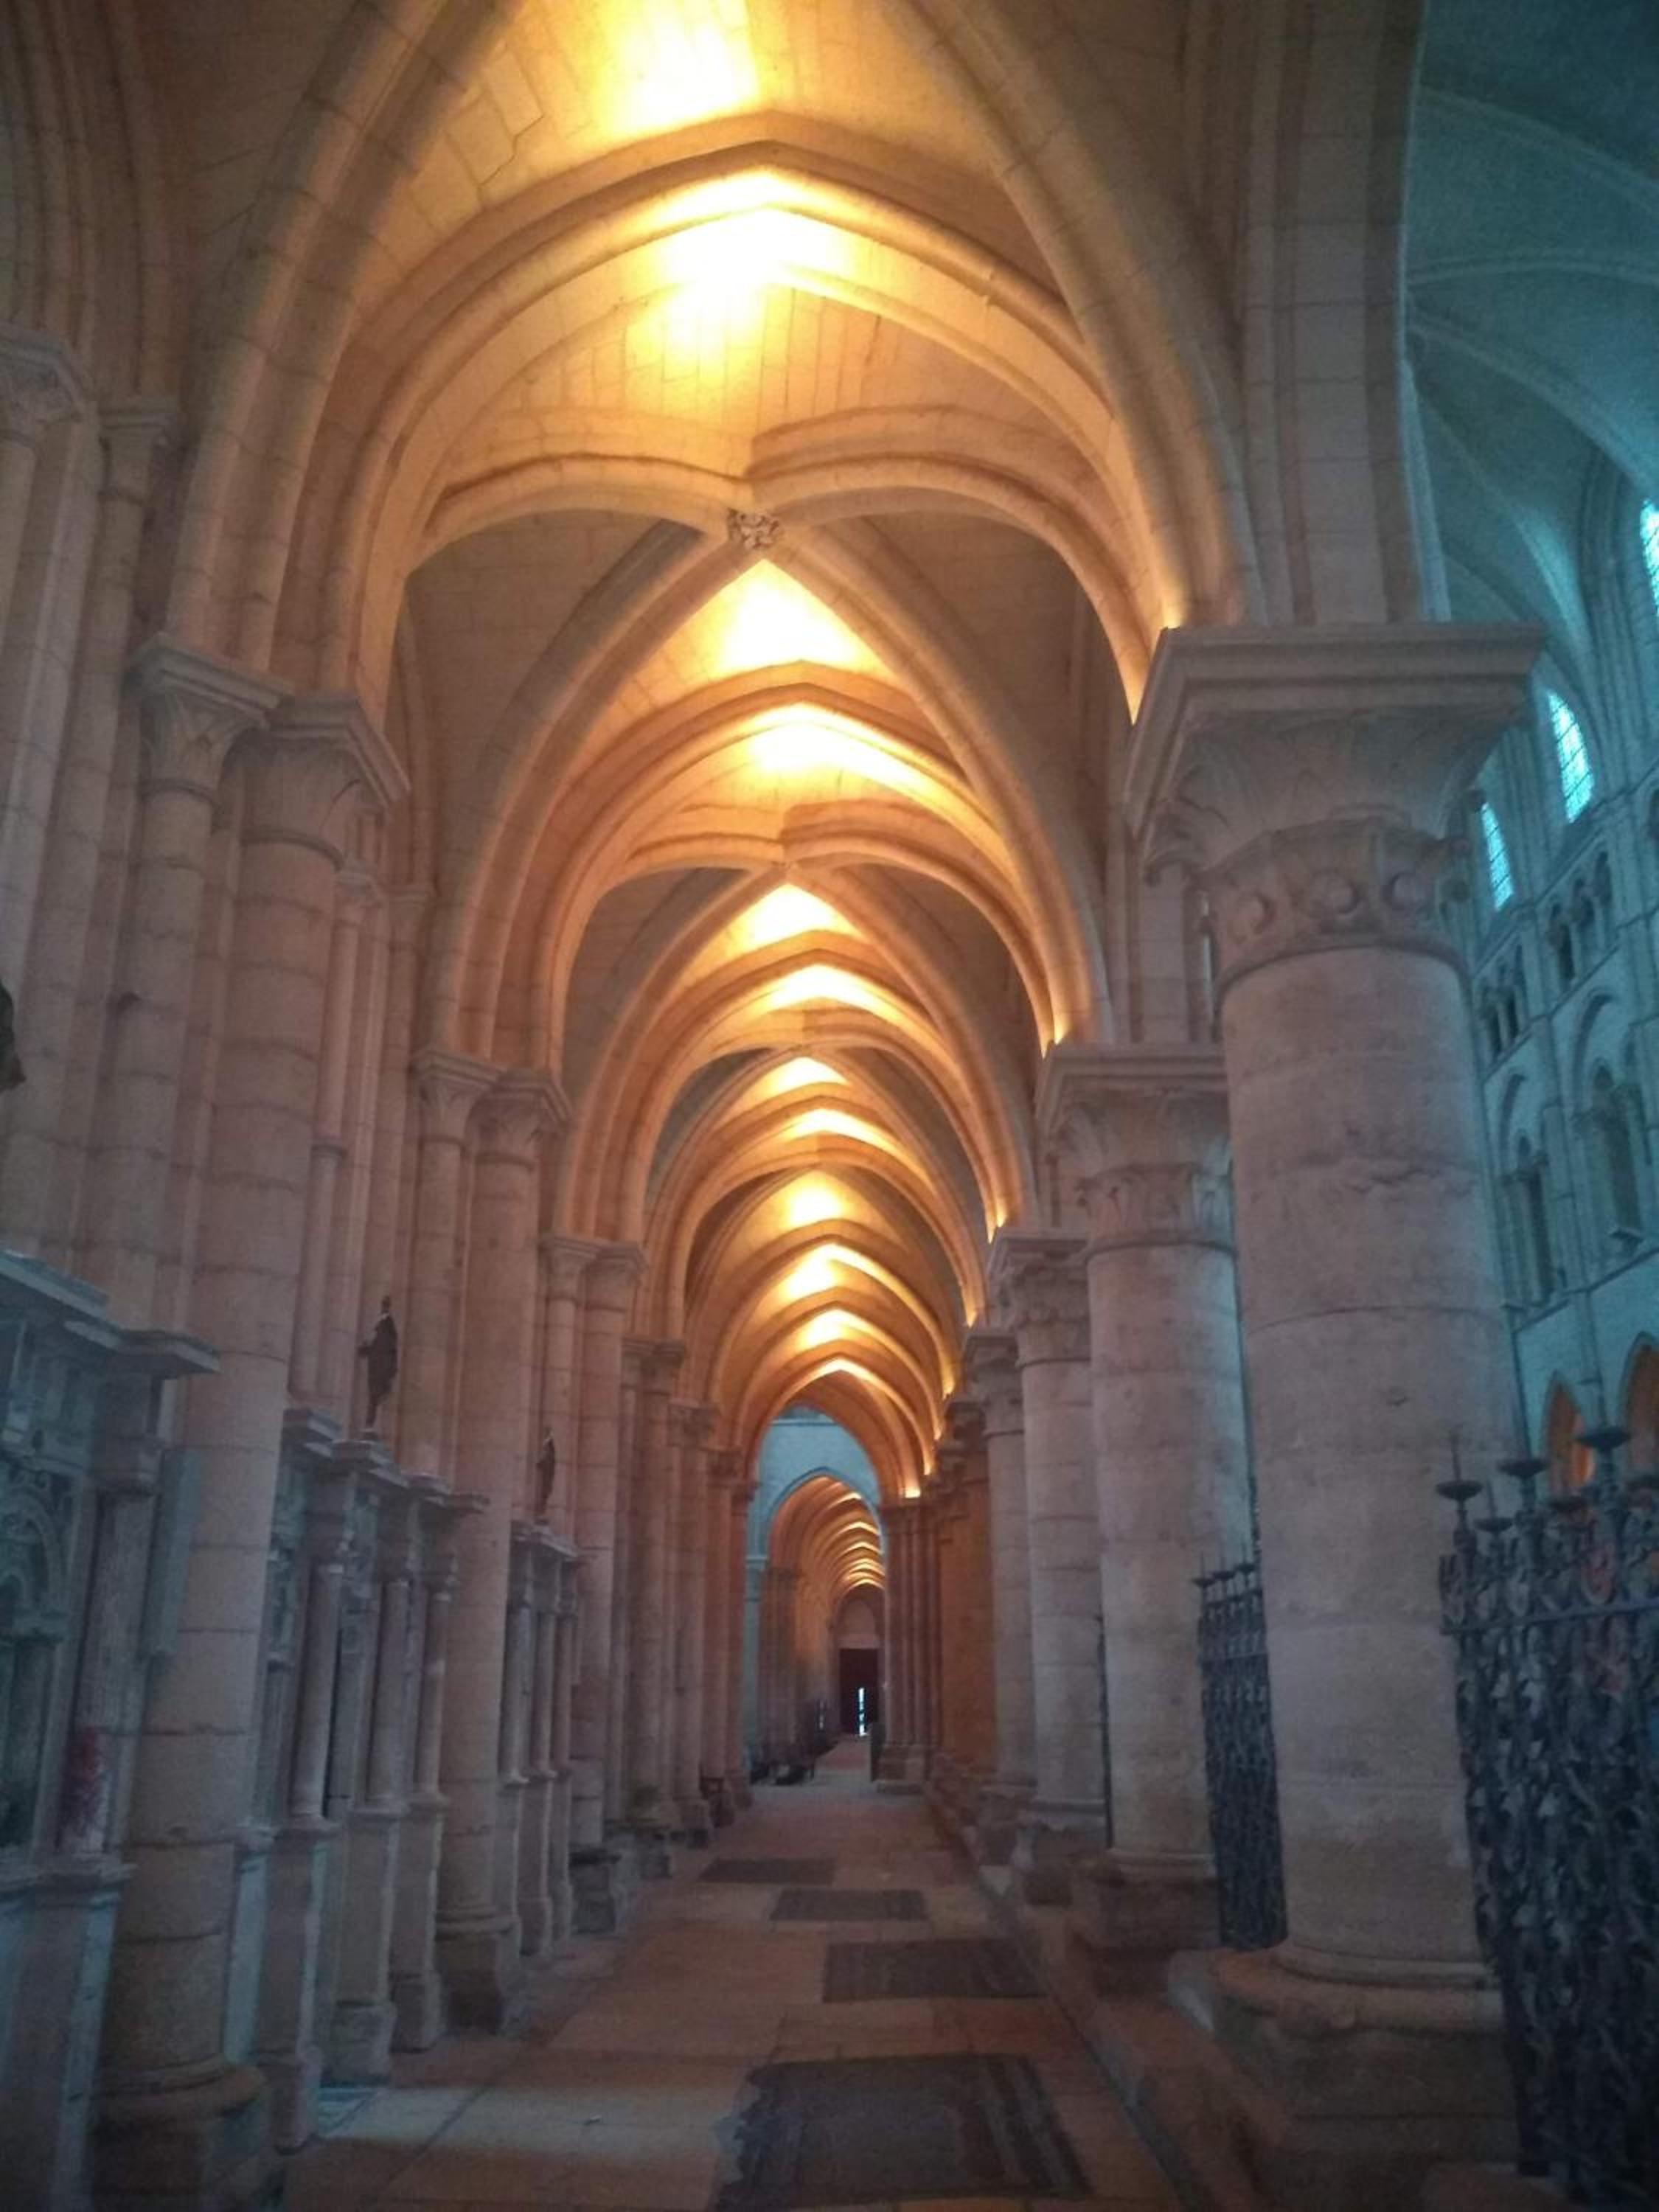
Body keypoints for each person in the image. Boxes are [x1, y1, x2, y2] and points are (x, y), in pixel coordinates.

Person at [358, 1295, 398, 1430]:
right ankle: (369, 1423)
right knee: (373, 1396)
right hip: (376, 1367)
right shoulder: (382, 1326)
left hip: (380, 1368)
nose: (383, 1308)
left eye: (385, 1305)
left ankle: (369, 1423)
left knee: (374, 1396)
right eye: (383, 1305)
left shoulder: (387, 1325)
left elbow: (388, 1346)